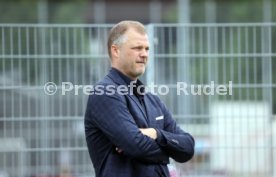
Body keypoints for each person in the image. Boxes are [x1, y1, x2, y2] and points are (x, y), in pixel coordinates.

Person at [84, 20, 194, 177]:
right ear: (115, 51)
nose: (144, 54)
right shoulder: (104, 93)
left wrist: (156, 134)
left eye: (147, 49)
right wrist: (169, 151)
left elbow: (188, 147)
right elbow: (136, 146)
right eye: (137, 48)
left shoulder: (152, 99)